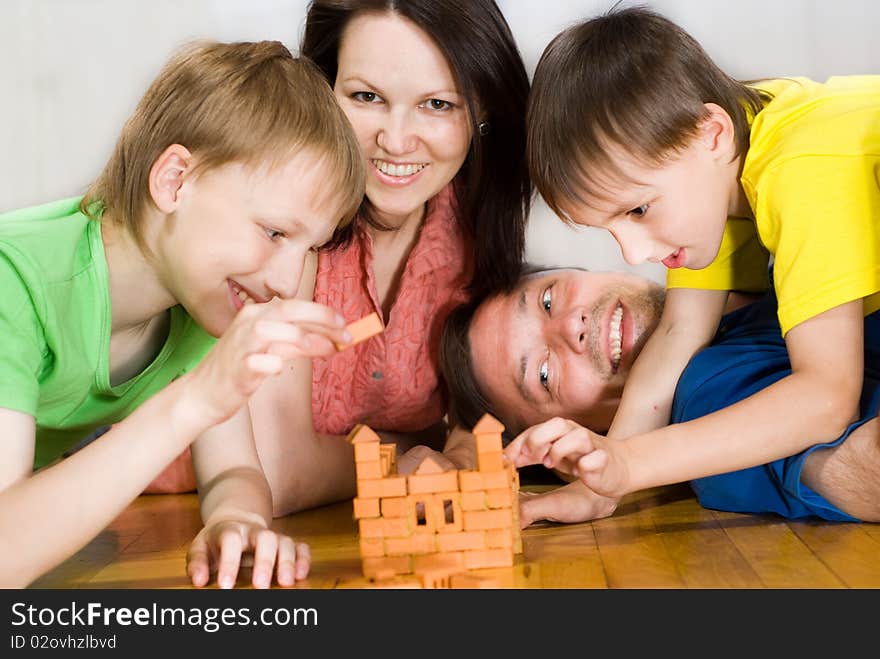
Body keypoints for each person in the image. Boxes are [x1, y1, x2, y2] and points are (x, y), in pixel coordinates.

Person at [0, 40, 364, 588]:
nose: (288, 282)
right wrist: (193, 400)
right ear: (175, 181)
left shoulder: (201, 305)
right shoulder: (15, 279)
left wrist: (234, 520)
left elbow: (234, 469)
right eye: (274, 232)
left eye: (308, 248)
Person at [516, 7, 880, 512]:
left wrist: (632, 465)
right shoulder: (726, 154)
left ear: (711, 133)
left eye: (639, 209)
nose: (634, 252)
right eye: (611, 228)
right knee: (708, 380)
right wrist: (602, 487)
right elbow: (677, 334)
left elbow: (826, 399)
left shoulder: (799, 165)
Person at [232, 0, 530, 515]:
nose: (394, 140)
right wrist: (416, 451)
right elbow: (276, 471)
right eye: (367, 96)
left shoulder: (473, 223)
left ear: (482, 109)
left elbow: (473, 400)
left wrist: (460, 446)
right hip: (157, 514)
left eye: (437, 104)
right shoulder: (282, 223)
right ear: (324, 88)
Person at [440, 267, 880, 527]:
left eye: (549, 299)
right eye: (543, 373)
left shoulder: (727, 229)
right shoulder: (710, 400)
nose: (570, 325)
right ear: (571, 437)